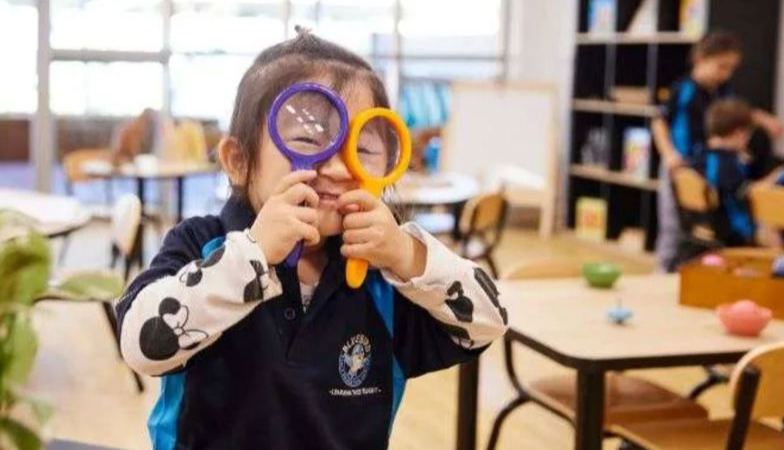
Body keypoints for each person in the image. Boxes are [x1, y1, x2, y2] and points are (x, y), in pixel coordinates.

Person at [115, 28, 508, 450]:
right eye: (307, 139)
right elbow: (141, 345)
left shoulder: (385, 281)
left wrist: (406, 254)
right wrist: (254, 255)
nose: (339, 168)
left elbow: (488, 322)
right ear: (239, 161)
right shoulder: (203, 244)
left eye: (364, 146)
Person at [651, 31, 783, 271]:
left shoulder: (723, 90)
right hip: (680, 165)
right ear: (701, 59)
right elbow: (659, 122)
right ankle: (662, 272)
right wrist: (670, 155)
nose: (725, 74)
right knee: (672, 230)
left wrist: (761, 121)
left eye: (730, 69)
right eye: (721, 66)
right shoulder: (684, 90)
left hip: (705, 164)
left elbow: (734, 114)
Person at [694, 98, 756, 246]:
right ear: (739, 133)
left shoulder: (701, 154)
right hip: (732, 232)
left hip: (703, 223)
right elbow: (745, 192)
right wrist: (774, 178)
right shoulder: (727, 164)